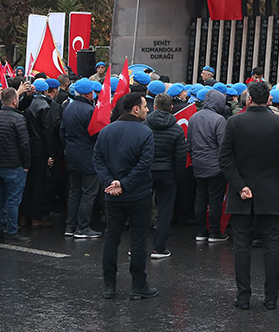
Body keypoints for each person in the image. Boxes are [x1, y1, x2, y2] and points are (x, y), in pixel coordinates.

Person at [218, 82, 279, 310]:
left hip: (242, 193)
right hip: (271, 191)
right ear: (269, 99)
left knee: (241, 245)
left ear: (248, 98)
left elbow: (225, 159)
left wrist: (240, 186)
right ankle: (271, 298)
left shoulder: (235, 122)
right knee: (271, 245)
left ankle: (243, 296)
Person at [94, 92, 157, 300]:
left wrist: (110, 183)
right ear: (135, 109)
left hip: (113, 195)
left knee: (111, 238)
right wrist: (122, 183)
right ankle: (138, 286)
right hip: (138, 194)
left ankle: (109, 285)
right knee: (138, 240)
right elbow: (144, 164)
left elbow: (98, 159)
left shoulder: (106, 131)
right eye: (145, 106)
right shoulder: (145, 132)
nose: (148, 110)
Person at [147, 93, 187, 259]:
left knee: (141, 209)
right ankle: (159, 248)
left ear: (154, 106)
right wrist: (177, 176)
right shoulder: (176, 129)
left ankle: (136, 247)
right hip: (167, 172)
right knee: (165, 210)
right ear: (171, 108)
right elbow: (180, 156)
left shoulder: (144, 124)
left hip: (146, 171)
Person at [186, 88, 229, 243]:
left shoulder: (194, 118)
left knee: (200, 197)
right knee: (215, 200)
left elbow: (189, 142)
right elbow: (223, 145)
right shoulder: (219, 120)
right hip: (216, 166)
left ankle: (200, 231)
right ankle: (215, 232)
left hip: (198, 164)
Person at [0, 88, 31, 244]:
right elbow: (24, 144)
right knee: (13, 200)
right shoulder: (18, 119)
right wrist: (26, 164)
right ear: (15, 101)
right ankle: (11, 232)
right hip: (14, 165)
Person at [63, 79, 101, 239]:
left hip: (71, 154)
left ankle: (70, 226)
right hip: (87, 155)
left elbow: (62, 131)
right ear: (88, 93)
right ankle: (82, 227)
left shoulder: (68, 108)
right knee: (88, 193)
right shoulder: (90, 111)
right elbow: (96, 134)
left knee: (74, 191)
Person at [22, 79, 58, 228]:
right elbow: (47, 131)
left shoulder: (24, 103)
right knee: (38, 184)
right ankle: (36, 217)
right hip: (39, 149)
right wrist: (52, 153)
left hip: (26, 147)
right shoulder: (44, 106)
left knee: (27, 184)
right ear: (45, 91)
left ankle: (23, 216)